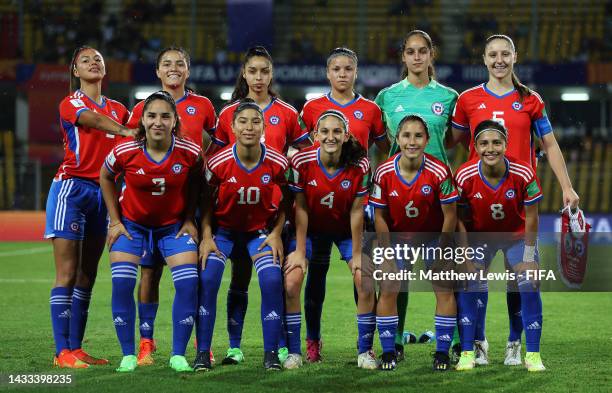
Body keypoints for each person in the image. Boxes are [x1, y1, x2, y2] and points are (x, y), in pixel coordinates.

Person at [451, 34, 579, 366]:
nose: (499, 60)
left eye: (505, 54)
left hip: (519, 206)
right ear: (484, 59)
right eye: (492, 55)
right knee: (473, 279)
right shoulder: (467, 100)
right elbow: (452, 143)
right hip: (478, 205)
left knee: (519, 279)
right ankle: (477, 344)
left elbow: (550, 145)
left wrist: (566, 186)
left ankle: (514, 344)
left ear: (515, 57)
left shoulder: (531, 100)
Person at [210, 46, 311, 366]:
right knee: (239, 277)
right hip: (236, 212)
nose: (258, 77)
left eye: (264, 71)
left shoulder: (288, 113)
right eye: (252, 71)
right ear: (244, 73)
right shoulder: (228, 114)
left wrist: (294, 160)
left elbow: (306, 153)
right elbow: (217, 160)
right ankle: (234, 347)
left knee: (277, 280)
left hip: (273, 215)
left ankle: (280, 346)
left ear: (271, 74)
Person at [124, 46, 216, 366]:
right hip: (152, 207)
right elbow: (129, 153)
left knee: (198, 274)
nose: (174, 68)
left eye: (180, 64)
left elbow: (217, 143)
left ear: (188, 71)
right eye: (167, 64)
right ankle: (146, 342)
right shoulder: (141, 109)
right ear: (158, 71)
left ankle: (201, 342)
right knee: (149, 274)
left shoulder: (203, 105)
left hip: (190, 203)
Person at [100, 91, 202, 373]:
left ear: (175, 121)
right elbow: (106, 175)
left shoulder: (190, 151)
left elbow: (197, 178)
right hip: (132, 227)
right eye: (152, 116)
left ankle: (178, 354)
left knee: (188, 284)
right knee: (122, 284)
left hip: (172, 228)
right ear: (143, 120)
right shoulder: (125, 150)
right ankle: (128, 355)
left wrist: (190, 217)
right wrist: (115, 221)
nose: (158, 122)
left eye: (165, 116)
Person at [45, 46, 134, 368]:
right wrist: (125, 129)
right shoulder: (71, 103)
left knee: (88, 274)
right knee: (66, 273)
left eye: (98, 59)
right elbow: (93, 121)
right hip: (72, 189)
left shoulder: (119, 108)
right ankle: (61, 352)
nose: (94, 62)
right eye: (86, 60)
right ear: (75, 72)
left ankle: (76, 348)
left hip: (104, 193)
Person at [298, 47, 390, 362]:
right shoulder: (311, 109)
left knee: (362, 276)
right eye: (336, 68)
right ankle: (312, 342)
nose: (342, 74)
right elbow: (300, 153)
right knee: (316, 278)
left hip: (355, 204)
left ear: (355, 72)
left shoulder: (371, 110)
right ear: (328, 73)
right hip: (316, 211)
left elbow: (386, 149)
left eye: (348, 68)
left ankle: (365, 346)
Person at [374, 30, 459, 360]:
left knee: (446, 275)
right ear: (404, 56)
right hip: (400, 194)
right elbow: (384, 143)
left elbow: (453, 140)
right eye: (411, 51)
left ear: (431, 54)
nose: (417, 57)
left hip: (439, 196)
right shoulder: (387, 97)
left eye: (423, 51)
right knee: (396, 275)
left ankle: (453, 342)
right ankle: (393, 339)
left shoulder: (450, 96)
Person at [193, 99, 289, 371]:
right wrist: (208, 235)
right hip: (223, 232)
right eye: (243, 122)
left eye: (255, 121)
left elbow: (288, 198)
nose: (249, 127)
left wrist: (277, 232)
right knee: (209, 279)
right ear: (232, 127)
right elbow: (206, 201)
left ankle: (270, 354)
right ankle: (203, 353)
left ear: (264, 128)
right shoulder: (219, 162)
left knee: (271, 280)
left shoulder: (278, 162)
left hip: (259, 233)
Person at [284, 110, 373, 369]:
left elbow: (357, 211)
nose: (330, 136)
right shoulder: (301, 161)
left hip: (346, 231)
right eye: (324, 131)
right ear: (315, 135)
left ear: (346, 135)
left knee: (364, 279)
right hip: (311, 230)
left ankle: (365, 350)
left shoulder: (360, 164)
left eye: (336, 131)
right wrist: (300, 251)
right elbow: (299, 208)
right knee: (293, 281)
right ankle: (300, 349)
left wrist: (357, 253)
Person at [454, 120, 545, 372]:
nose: (490, 148)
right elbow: (458, 220)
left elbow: (533, 217)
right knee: (469, 282)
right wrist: (462, 256)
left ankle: (526, 350)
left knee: (527, 282)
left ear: (506, 144)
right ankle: (472, 349)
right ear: (475, 146)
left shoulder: (524, 172)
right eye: (483, 143)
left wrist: (528, 256)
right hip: (479, 237)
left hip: (516, 236)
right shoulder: (464, 175)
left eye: (496, 142)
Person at [369, 115, 459, 371]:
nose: (412, 141)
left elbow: (450, 215)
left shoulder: (440, 170)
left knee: (444, 289)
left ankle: (442, 353)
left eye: (418, 136)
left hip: (432, 237)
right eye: (406, 136)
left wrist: (442, 252)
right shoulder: (384, 172)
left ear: (427, 140)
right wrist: (386, 255)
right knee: (388, 287)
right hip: (398, 238)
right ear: (397, 139)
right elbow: (380, 217)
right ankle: (388, 352)